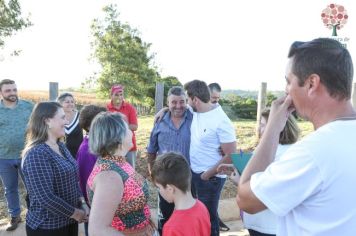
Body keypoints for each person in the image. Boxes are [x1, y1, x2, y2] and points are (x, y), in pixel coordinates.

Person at [237, 38, 356, 236]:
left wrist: (273, 128)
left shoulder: (313, 152)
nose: (287, 90)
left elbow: (246, 199)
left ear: (311, 83)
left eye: (288, 81)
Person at [219, 108, 300, 236]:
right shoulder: (289, 151)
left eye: (263, 125)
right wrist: (237, 169)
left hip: (269, 226)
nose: (259, 129)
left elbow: (267, 192)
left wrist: (240, 181)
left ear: (278, 127)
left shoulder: (282, 155)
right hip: (263, 223)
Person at [22, 102, 88, 236]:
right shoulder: (37, 153)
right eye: (63, 117)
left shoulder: (60, 146)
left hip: (68, 221)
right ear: (47, 121)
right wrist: (75, 213)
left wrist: (81, 203)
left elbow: (73, 178)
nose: (67, 121)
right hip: (48, 226)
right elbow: (46, 197)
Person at [87, 112, 155, 235]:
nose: (131, 132)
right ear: (117, 136)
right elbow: (97, 230)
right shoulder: (109, 176)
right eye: (128, 129)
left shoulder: (117, 161)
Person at [184, 80, 237, 236]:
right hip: (195, 174)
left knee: (209, 220)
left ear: (195, 100)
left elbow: (231, 155)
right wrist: (162, 111)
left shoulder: (221, 121)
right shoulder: (196, 111)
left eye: (188, 99)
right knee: (199, 218)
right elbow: (176, 106)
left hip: (210, 179)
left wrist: (207, 175)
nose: (187, 103)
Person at [147, 86, 193, 235]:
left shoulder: (195, 119)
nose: (178, 106)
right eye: (174, 102)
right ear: (168, 102)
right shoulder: (159, 121)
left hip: (189, 179)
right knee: (165, 217)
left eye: (182, 102)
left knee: (188, 216)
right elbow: (151, 150)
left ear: (187, 101)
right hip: (165, 179)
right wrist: (153, 174)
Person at [0, 79, 33, 231]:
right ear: (1, 93)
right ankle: (15, 216)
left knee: (32, 187)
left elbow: (39, 124)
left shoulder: (28, 106)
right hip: (3, 157)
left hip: (27, 154)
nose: (12, 93)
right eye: (8, 90)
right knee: (10, 188)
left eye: (14, 89)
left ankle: (35, 213)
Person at [151, 152, 211, 236]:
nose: (159, 191)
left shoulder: (171, 228)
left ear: (170, 189)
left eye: (159, 187)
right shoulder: (202, 207)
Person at [76, 105, 106, 236]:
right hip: (96, 207)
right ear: (89, 126)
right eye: (102, 122)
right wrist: (88, 206)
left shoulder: (99, 145)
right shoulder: (87, 151)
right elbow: (85, 182)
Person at [107, 84, 138, 169]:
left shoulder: (129, 108)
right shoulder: (107, 108)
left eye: (121, 94)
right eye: (116, 94)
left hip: (129, 145)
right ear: (111, 95)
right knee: (115, 170)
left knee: (130, 171)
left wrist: (120, 125)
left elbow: (134, 126)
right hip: (113, 146)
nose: (119, 97)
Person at [57, 93, 83, 158]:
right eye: (67, 102)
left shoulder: (80, 115)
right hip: (61, 154)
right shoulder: (55, 117)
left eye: (72, 102)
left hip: (78, 154)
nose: (70, 104)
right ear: (60, 103)